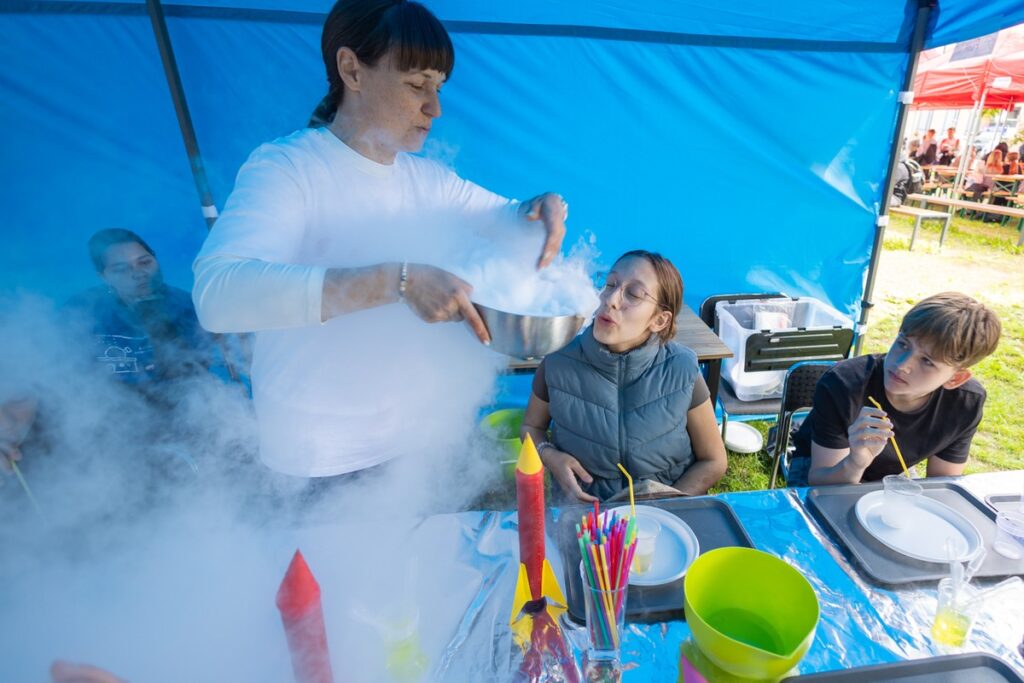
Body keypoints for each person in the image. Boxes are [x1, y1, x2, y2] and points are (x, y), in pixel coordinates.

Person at [192, 0, 568, 479]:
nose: (434, 108)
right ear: (352, 69)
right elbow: (219, 293)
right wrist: (399, 281)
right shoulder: (288, 169)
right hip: (319, 456)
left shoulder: (428, 180)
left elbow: (512, 217)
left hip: (417, 441)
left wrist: (546, 206)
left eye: (438, 88)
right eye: (416, 85)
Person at [520, 250, 728, 502]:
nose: (610, 299)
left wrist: (671, 505)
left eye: (634, 294)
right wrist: (550, 456)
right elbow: (531, 427)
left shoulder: (681, 367)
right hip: (588, 521)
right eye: (610, 285)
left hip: (666, 519)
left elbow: (714, 460)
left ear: (660, 320)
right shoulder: (557, 361)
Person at [787, 293, 1001, 487]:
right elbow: (820, 481)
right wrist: (855, 462)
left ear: (955, 378)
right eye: (903, 344)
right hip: (827, 471)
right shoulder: (844, 383)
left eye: (926, 361)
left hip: (892, 476)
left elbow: (942, 485)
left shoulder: (965, 403)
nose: (902, 365)